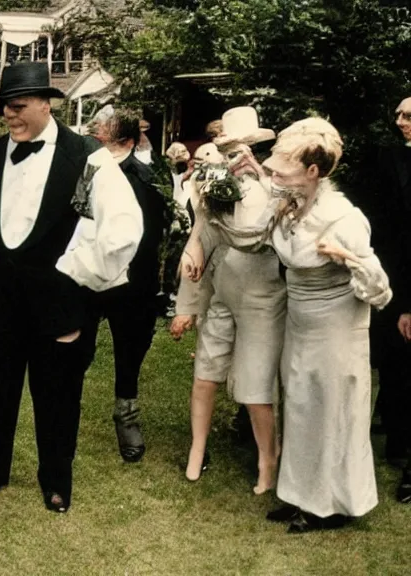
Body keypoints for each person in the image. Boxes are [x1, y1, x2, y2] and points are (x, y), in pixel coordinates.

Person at [184, 117, 391, 532]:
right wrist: (205, 232)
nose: (272, 174)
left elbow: (380, 291)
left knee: (329, 413)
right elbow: (251, 239)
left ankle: (330, 506)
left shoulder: (343, 219)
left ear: (313, 172)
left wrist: (347, 258)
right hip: (299, 322)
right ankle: (299, 497)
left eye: (282, 169)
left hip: (335, 330)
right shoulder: (289, 206)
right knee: (299, 408)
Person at [0, 62, 141, 519]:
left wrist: (76, 275)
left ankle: (56, 480)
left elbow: (123, 229)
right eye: (4, 107)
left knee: (58, 399)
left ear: (47, 104)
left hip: (60, 308)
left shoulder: (87, 156)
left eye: (19, 106)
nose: (10, 115)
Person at [172, 107, 285, 493]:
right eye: (230, 147)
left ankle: (267, 459)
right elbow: (202, 231)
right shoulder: (214, 182)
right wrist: (193, 267)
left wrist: (262, 177)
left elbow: (275, 228)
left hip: (263, 289)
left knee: (256, 385)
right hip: (225, 284)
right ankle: (197, 450)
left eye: (243, 147)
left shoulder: (276, 182)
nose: (237, 155)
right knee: (205, 371)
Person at [84, 108, 167, 462]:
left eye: (108, 134)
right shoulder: (87, 171)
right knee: (76, 346)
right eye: (99, 132)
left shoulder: (147, 180)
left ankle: (127, 414)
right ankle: (61, 412)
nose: (99, 137)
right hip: (87, 274)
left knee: (129, 349)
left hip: (132, 282)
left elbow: (152, 236)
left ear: (129, 142)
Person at [366, 97, 411, 502]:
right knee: (394, 363)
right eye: (397, 114)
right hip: (392, 274)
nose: (399, 121)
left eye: (408, 116)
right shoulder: (387, 158)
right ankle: (398, 443)